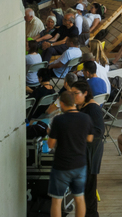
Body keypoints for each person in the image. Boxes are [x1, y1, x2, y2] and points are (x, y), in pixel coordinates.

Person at [47, 89, 92, 217]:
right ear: (74, 102)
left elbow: (50, 144)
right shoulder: (86, 118)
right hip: (80, 164)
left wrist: (50, 133)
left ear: (62, 103)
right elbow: (90, 138)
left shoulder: (59, 120)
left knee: (57, 200)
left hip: (61, 166)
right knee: (79, 198)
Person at [76, 83, 106, 217]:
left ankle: (92, 214)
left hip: (91, 151)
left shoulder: (93, 108)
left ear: (85, 93)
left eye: (76, 93)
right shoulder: (81, 106)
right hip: (84, 150)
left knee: (89, 187)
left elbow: (99, 131)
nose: (73, 96)